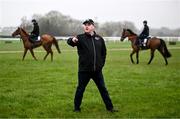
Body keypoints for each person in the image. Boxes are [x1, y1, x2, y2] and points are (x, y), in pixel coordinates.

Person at [67, 19, 117, 112]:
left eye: (89, 24)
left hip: (97, 71)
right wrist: (71, 40)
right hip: (84, 70)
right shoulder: (80, 37)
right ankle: (76, 108)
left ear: (93, 26)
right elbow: (70, 42)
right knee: (80, 89)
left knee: (103, 89)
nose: (86, 26)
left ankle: (110, 108)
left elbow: (104, 53)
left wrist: (101, 65)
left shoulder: (99, 38)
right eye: (85, 25)